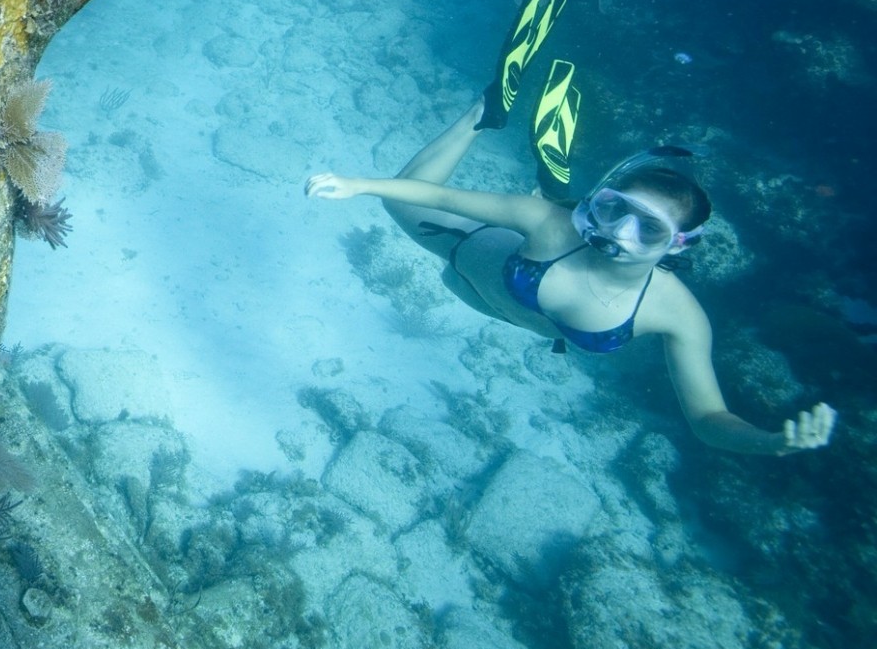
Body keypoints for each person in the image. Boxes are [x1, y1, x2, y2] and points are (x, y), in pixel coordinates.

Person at [305, 99, 835, 456]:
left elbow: (706, 418)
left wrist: (770, 443)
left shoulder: (678, 315)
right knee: (401, 196)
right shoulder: (552, 226)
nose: (619, 234)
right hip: (471, 254)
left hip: (487, 300)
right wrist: (358, 184)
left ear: (677, 246)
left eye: (647, 229)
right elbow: (442, 198)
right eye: (612, 210)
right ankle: (483, 112)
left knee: (405, 200)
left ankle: (489, 119)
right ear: (596, 203)